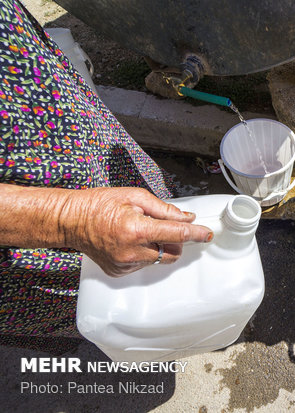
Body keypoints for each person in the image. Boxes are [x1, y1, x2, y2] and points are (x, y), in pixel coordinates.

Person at [0, 0, 213, 341]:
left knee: (148, 229)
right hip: (24, 233)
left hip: (56, 111)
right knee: (91, 304)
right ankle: (124, 338)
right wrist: (71, 219)